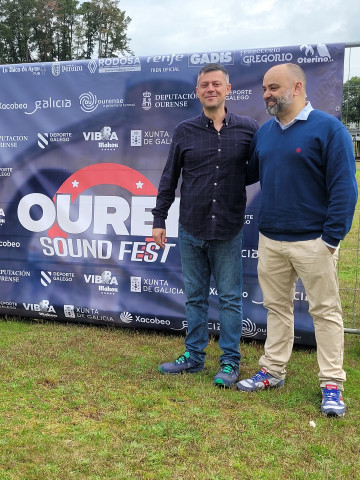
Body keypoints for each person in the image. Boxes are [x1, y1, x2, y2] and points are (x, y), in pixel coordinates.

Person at [237, 63, 357, 417]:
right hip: (271, 238)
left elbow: (344, 190)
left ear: (298, 87)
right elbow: (247, 174)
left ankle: (332, 384)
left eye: (273, 87)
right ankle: (273, 370)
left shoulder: (329, 129)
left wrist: (331, 240)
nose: (267, 94)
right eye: (264, 89)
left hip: (314, 241)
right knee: (277, 308)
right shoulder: (265, 133)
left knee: (326, 312)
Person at [152, 63, 258, 387]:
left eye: (216, 84)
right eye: (204, 85)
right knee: (195, 298)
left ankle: (229, 363)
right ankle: (194, 357)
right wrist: (159, 218)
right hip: (191, 229)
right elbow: (170, 177)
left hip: (227, 229)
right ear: (197, 92)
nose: (210, 89)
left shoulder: (249, 129)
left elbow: (254, 171)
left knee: (229, 299)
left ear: (228, 89)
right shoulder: (184, 130)